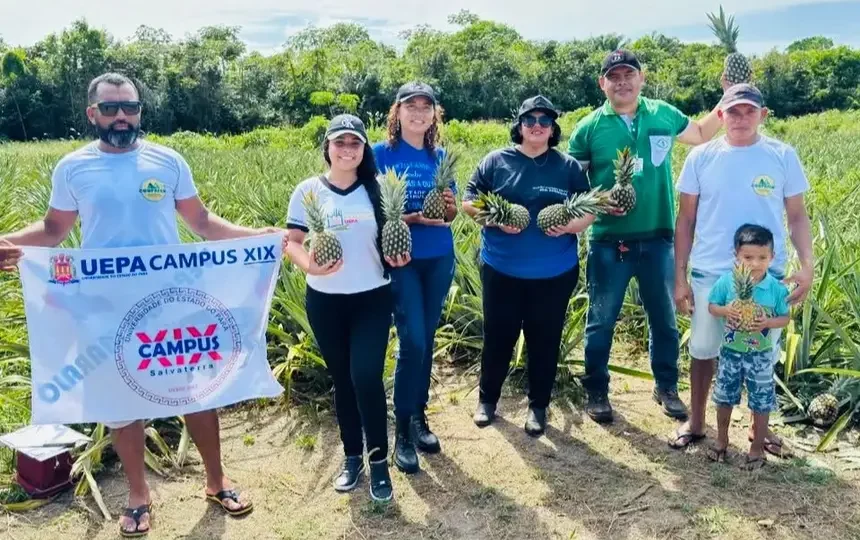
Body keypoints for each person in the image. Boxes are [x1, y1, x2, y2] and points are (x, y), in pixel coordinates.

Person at [0, 72, 269, 537]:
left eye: (131, 107)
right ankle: (139, 495)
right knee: (121, 400)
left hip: (167, 300)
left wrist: (257, 237)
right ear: (93, 114)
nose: (122, 116)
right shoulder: (73, 168)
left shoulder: (168, 161)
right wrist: (7, 242)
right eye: (111, 108)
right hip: (103, 306)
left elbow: (202, 222)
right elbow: (53, 230)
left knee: (193, 390)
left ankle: (216, 481)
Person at [567, 49, 727, 423]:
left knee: (664, 317)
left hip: (658, 237)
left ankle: (666, 386)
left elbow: (701, 134)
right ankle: (597, 390)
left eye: (629, 74)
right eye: (614, 76)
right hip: (608, 240)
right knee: (601, 319)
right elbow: (572, 184)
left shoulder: (663, 114)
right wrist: (600, 201)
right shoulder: (588, 128)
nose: (622, 82)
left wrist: (728, 97)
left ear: (642, 78)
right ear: (602, 83)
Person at [671, 83, 813, 455]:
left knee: (761, 350)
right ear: (720, 115)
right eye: (733, 111)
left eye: (750, 110)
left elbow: (798, 217)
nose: (741, 118)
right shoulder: (701, 156)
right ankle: (697, 422)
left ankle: (758, 428)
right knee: (703, 349)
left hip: (767, 275)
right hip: (711, 272)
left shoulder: (782, 155)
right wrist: (680, 276)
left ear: (763, 115)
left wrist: (807, 266)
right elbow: (685, 220)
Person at [285, 114, 409, 503]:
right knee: (342, 379)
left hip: (372, 297)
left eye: (355, 143)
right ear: (328, 147)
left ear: (364, 149)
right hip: (324, 300)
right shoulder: (308, 190)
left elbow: (393, 236)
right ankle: (352, 455)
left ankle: (379, 461)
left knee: (366, 377)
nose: (347, 149)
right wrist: (309, 266)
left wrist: (400, 255)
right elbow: (292, 241)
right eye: (340, 142)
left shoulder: (377, 189)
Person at [462, 95, 596, 437]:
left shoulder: (567, 167)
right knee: (498, 336)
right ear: (519, 126)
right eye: (530, 120)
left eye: (544, 121)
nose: (537, 126)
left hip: (554, 272)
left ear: (552, 128)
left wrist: (570, 226)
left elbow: (588, 210)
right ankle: (487, 400)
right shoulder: (496, 161)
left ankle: (538, 406)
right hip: (501, 269)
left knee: (545, 340)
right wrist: (495, 219)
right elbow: (468, 201)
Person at [372, 82, 457, 474]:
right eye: (411, 106)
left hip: (439, 257)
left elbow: (449, 214)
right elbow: (370, 209)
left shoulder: (439, 156)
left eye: (426, 107)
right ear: (398, 112)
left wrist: (448, 208)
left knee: (428, 338)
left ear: (434, 114)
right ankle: (403, 430)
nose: (419, 113)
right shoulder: (379, 154)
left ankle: (420, 415)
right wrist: (409, 218)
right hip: (400, 258)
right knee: (413, 341)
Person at [705, 224, 791, 470]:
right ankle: (722, 440)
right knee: (724, 397)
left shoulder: (775, 288)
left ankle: (757, 447)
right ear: (737, 256)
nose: (755, 263)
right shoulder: (726, 283)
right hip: (730, 354)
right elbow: (712, 306)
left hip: (761, 356)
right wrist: (726, 310)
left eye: (762, 257)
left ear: (772, 257)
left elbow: (785, 317)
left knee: (762, 401)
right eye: (748, 257)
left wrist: (768, 322)